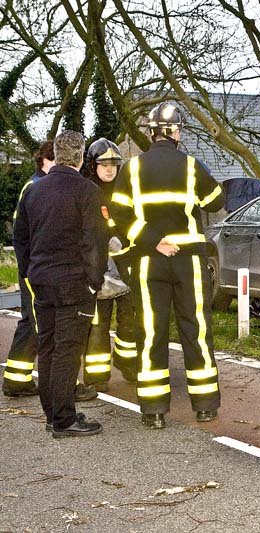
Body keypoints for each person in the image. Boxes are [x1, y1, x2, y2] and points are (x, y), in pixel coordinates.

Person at [110, 102, 225, 429]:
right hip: (188, 260)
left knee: (151, 333)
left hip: (149, 261)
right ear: (175, 132)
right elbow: (216, 201)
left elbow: (118, 215)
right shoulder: (191, 166)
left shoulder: (130, 169)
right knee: (196, 329)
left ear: (150, 133)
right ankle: (204, 406)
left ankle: (154, 410)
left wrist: (151, 239)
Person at [13, 130, 107, 438]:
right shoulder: (87, 191)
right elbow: (94, 241)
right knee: (68, 350)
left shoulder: (34, 190)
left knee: (48, 348)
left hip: (41, 280)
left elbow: (21, 238)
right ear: (81, 157)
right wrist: (95, 282)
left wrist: (30, 271)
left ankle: (53, 414)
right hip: (73, 283)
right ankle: (65, 419)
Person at [81, 138, 138, 391]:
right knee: (98, 325)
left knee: (130, 321)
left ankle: (128, 365)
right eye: (103, 164)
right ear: (93, 166)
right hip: (96, 271)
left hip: (125, 267)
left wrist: (123, 240)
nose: (109, 169)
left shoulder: (127, 190)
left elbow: (136, 222)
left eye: (114, 164)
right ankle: (96, 377)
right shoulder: (84, 191)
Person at [2, 141, 54, 397]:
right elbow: (22, 235)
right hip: (35, 269)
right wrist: (28, 269)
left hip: (33, 268)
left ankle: (17, 378)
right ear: (45, 160)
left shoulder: (35, 185)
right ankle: (16, 381)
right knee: (36, 322)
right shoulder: (36, 187)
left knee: (31, 321)